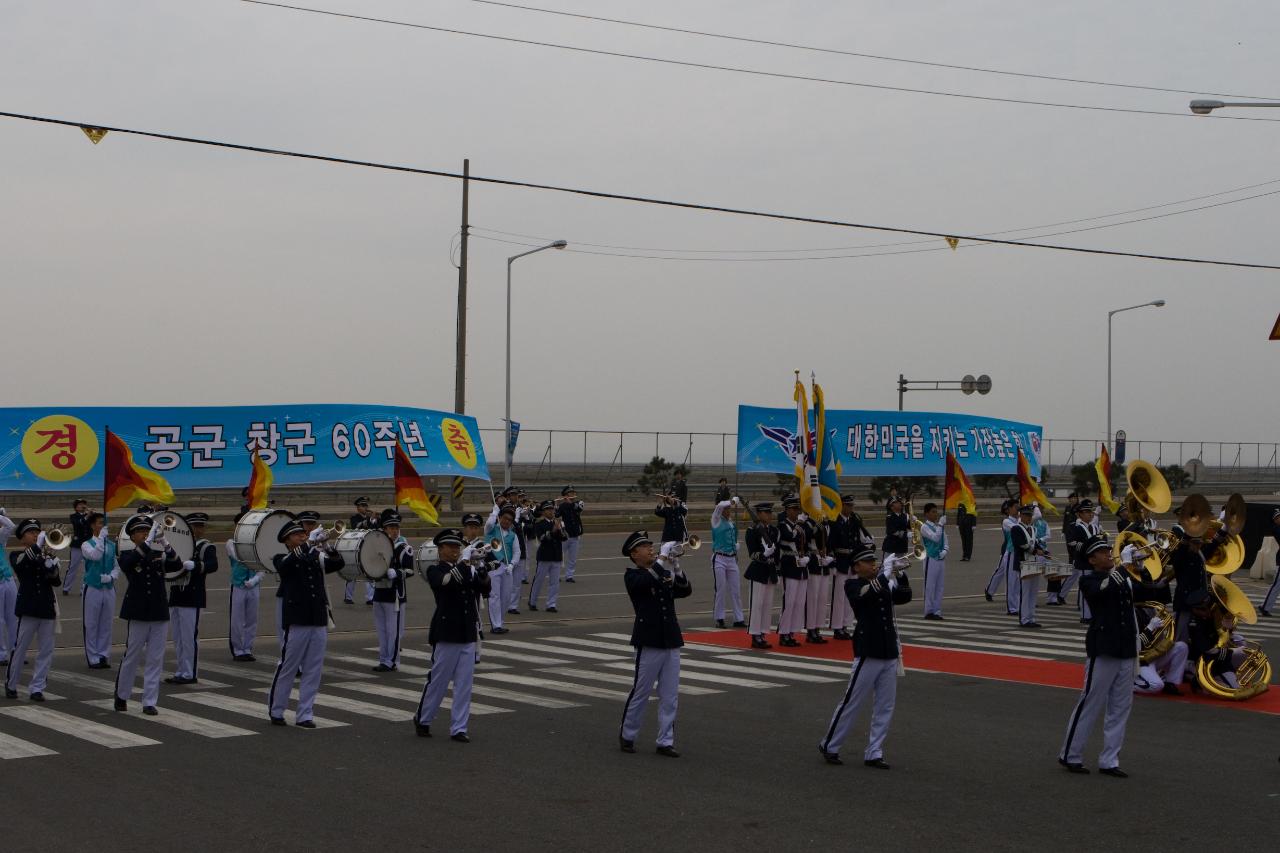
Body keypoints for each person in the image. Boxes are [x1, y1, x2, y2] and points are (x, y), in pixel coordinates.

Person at [817, 547, 911, 769]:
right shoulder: (853, 584)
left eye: (873, 561)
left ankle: (874, 751)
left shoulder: (883, 581)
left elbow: (904, 596)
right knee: (852, 701)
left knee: (885, 705)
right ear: (857, 567)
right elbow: (865, 597)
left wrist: (899, 574)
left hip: (888, 649)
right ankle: (830, 744)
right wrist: (884, 575)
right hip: (868, 649)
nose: (873, 564)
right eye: (868, 562)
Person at [1058, 535, 1136, 777]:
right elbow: (1104, 590)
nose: (1108, 553)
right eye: (1102, 552)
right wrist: (1124, 567)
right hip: (1104, 646)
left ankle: (1110, 760)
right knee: (1090, 702)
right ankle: (1070, 754)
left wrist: (1138, 567)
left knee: (1121, 707)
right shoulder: (1089, 581)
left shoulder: (1121, 577)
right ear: (1092, 560)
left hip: (1126, 647)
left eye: (1107, 550)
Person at [618, 530, 691, 757]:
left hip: (670, 639)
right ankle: (628, 735)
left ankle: (665, 741)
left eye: (652, 546)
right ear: (634, 553)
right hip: (648, 640)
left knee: (670, 695)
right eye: (645, 547)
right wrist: (661, 560)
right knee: (641, 691)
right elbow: (646, 580)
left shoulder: (662, 572)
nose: (651, 549)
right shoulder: (633, 576)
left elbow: (684, 591)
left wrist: (676, 566)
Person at [267, 517, 345, 727]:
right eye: (297, 535)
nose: (302, 536)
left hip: (318, 617)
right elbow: (286, 567)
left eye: (303, 534)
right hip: (297, 619)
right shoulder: (281, 557)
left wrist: (327, 545)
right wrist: (309, 544)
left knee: (314, 668)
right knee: (288, 666)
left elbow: (338, 564)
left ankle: (305, 714)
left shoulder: (314, 556)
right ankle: (277, 709)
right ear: (287, 540)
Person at [415, 528, 490, 741]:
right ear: (440, 549)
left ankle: (459, 728)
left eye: (458, 546)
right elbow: (449, 582)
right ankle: (423, 719)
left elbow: (484, 589)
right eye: (450, 546)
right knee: (438, 681)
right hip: (447, 633)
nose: (455, 550)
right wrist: (465, 564)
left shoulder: (466, 568)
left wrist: (482, 567)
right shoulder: (434, 570)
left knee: (464, 684)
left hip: (467, 631)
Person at [114, 515, 185, 715]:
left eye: (147, 531)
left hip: (158, 610)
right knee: (132, 655)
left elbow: (176, 564)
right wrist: (146, 543)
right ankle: (122, 695)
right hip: (138, 611)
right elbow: (129, 565)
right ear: (133, 536)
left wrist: (165, 542)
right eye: (140, 532)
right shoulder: (127, 554)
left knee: (156, 658)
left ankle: (149, 701)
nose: (145, 534)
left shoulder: (156, 553)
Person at [3, 519, 62, 701]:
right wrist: (37, 549)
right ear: (22, 539)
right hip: (28, 608)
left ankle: (37, 687)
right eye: (31, 533)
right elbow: (21, 566)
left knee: (46, 650)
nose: (36, 535)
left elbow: (56, 581)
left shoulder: (45, 555)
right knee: (20, 648)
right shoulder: (17, 555)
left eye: (37, 532)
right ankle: (12, 683)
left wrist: (52, 566)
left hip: (46, 607)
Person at [166, 512, 218, 685]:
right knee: (178, 638)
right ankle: (181, 670)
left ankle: (190, 673)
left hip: (193, 596)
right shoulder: (178, 545)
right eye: (195, 526)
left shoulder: (205, 547)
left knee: (189, 637)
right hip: (176, 594)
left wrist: (196, 565)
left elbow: (213, 565)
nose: (198, 529)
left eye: (200, 526)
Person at [372, 510, 414, 671]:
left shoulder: (404, 548)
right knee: (382, 630)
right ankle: (383, 659)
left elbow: (410, 571)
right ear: (384, 528)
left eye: (396, 527)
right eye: (390, 527)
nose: (394, 530)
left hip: (395, 595)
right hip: (379, 592)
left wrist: (396, 573)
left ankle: (393, 661)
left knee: (394, 632)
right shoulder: (376, 547)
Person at [827, 495, 873, 640]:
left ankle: (846, 625)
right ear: (842, 506)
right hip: (840, 561)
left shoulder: (854, 521)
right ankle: (837, 627)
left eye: (852, 506)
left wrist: (867, 545)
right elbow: (830, 544)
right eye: (848, 505)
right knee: (839, 597)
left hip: (853, 562)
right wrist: (833, 563)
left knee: (851, 596)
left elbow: (858, 541)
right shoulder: (834, 521)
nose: (850, 508)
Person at [80, 513, 119, 668]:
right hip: (93, 587)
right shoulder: (86, 544)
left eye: (103, 523)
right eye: (98, 523)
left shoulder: (111, 545)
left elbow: (116, 565)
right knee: (91, 623)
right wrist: (101, 540)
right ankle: (93, 657)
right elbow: (95, 556)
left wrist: (111, 577)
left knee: (106, 622)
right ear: (92, 525)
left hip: (108, 587)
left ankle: (103, 654)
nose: (102, 526)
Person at [743, 503, 780, 649]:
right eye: (766, 513)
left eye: (770, 512)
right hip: (758, 571)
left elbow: (776, 552)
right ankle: (755, 635)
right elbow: (752, 552)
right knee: (757, 605)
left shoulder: (774, 530)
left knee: (767, 605)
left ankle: (763, 633)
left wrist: (776, 568)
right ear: (758, 514)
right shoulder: (752, 531)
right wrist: (764, 555)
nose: (769, 515)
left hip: (770, 571)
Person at [775, 496, 810, 647]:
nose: (797, 512)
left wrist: (807, 557)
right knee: (788, 601)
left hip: (801, 566)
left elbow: (806, 541)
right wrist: (800, 523)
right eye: (794, 509)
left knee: (798, 601)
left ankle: (791, 632)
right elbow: (789, 536)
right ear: (788, 510)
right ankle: (783, 633)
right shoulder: (783, 525)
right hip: (789, 566)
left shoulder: (799, 525)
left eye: (798, 509)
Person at [228, 520, 263, 662]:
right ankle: (237, 650)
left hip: (253, 585)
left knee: (252, 619)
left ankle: (247, 648)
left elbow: (262, 565)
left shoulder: (258, 543)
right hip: (238, 585)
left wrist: (255, 580)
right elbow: (238, 557)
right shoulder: (231, 542)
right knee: (237, 619)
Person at [709, 498, 746, 629]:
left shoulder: (730, 523)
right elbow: (720, 505)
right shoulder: (716, 519)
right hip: (719, 558)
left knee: (736, 590)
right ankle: (719, 618)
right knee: (721, 588)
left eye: (729, 509)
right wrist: (733, 500)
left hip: (731, 558)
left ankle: (739, 618)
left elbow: (734, 537)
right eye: (726, 509)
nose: (728, 511)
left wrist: (735, 547)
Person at [1062, 500, 1101, 619]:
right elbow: (1072, 543)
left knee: (1094, 589)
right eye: (1086, 512)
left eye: (1090, 512)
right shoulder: (1076, 527)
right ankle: (1085, 615)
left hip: (1095, 563)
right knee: (1086, 590)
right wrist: (1087, 547)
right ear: (1080, 514)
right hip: (1084, 561)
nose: (1090, 514)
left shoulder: (1095, 527)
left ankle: (1092, 613)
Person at [1010, 505, 1047, 628]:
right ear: (1021, 516)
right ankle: (1024, 619)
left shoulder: (1033, 529)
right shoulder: (1016, 528)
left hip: (1033, 563)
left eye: (1030, 515)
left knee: (1033, 592)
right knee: (1025, 592)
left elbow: (1035, 543)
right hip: (1023, 563)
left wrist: (1043, 551)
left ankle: (1031, 617)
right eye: (1026, 515)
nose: (1028, 517)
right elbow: (1020, 544)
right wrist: (1035, 551)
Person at [529, 501, 568, 612]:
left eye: (552, 509)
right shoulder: (539, 524)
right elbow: (542, 538)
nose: (551, 511)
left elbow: (565, 538)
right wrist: (553, 530)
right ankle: (532, 602)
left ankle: (551, 604)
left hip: (556, 556)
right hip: (544, 556)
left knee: (554, 582)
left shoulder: (558, 522)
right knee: (539, 580)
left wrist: (560, 529)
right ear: (543, 512)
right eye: (548, 509)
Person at [485, 506, 518, 634]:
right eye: (505, 518)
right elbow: (488, 523)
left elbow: (517, 552)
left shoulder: (512, 535)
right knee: (494, 596)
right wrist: (494, 513)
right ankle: (496, 625)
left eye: (510, 520)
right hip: (493, 566)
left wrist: (512, 564)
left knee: (506, 596)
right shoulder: (491, 530)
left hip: (506, 568)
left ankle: (500, 621)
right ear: (500, 518)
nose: (507, 521)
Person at [984, 500, 1019, 614]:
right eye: (1015, 507)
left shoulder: (1018, 519)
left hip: (1015, 552)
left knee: (1010, 576)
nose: (1017, 509)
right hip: (1007, 550)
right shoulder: (1006, 521)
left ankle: (1016, 602)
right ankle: (989, 590)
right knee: (1000, 571)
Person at [345, 497, 379, 605]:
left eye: (366, 506)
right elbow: (357, 526)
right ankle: (348, 597)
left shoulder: (370, 518)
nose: (365, 508)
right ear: (358, 508)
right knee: (353, 572)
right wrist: (370, 519)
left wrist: (376, 519)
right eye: (362, 506)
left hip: (368, 546)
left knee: (368, 572)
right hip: (357, 547)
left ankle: (370, 598)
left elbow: (375, 529)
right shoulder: (354, 518)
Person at [919, 503, 948, 620]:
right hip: (930, 559)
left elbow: (945, 541)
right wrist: (941, 525)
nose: (935, 514)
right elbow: (935, 538)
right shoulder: (924, 527)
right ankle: (928, 611)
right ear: (926, 514)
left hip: (940, 558)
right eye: (933, 512)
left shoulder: (938, 526)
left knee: (940, 586)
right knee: (930, 586)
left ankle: (937, 610)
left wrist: (945, 551)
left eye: (936, 512)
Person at [557, 486, 586, 583]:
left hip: (575, 535)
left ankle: (569, 575)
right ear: (565, 495)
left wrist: (569, 502)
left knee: (572, 558)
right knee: (559, 556)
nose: (573, 494)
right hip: (565, 535)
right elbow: (556, 515)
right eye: (570, 493)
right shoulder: (562, 506)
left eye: (573, 492)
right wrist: (555, 505)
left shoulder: (578, 503)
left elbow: (578, 508)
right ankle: (556, 575)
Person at [0, 509, 16, 668]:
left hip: (8, 579)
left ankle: (15, 650)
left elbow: (10, 526)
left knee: (13, 616)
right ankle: (2, 653)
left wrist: (0, 515)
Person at [66, 498, 93, 595]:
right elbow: (78, 523)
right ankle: (66, 588)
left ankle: (84, 589)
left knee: (87, 568)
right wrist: (87, 516)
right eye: (80, 504)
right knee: (73, 566)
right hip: (77, 545)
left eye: (84, 504)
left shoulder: (90, 516)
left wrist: (91, 515)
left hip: (89, 544)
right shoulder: (73, 516)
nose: (82, 506)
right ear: (76, 508)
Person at [1262, 508, 1280, 617]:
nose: (1279, 519)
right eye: (1277, 518)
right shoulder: (1276, 529)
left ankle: (1265, 606)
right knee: (1276, 585)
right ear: (1274, 520)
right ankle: (1265, 607)